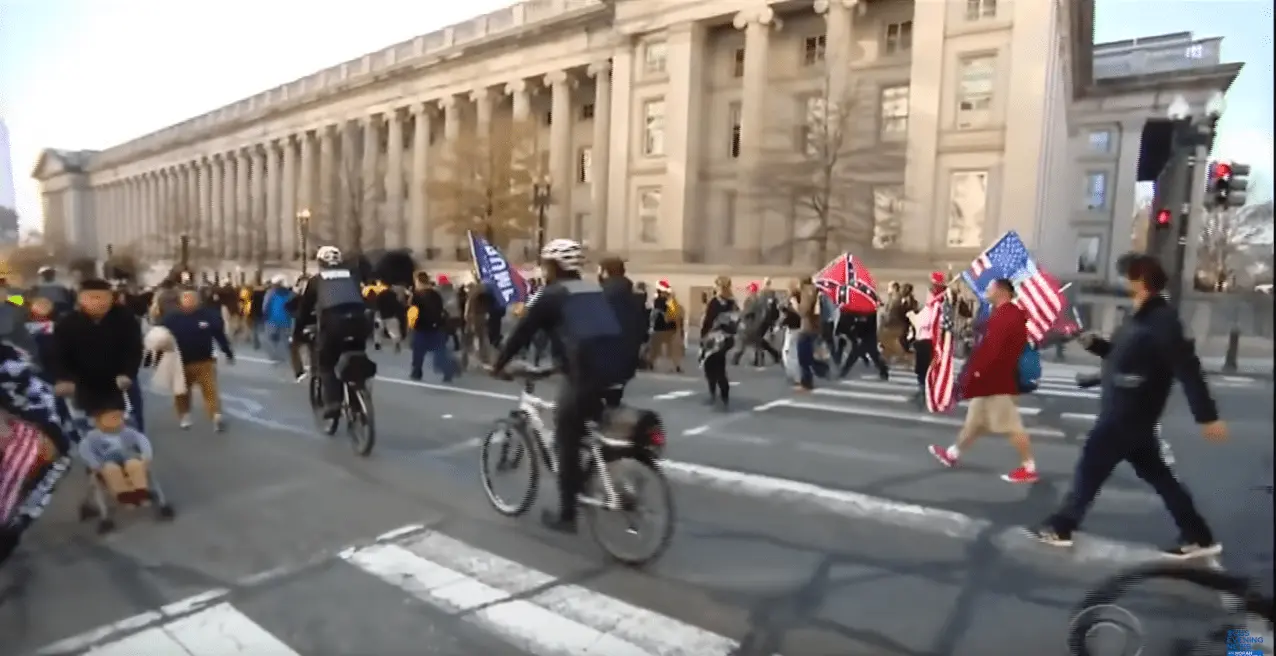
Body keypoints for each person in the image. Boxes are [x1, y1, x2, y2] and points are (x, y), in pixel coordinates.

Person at [1029, 254, 1225, 558]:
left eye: (1126, 276)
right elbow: (1123, 356)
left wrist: (1207, 416)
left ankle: (1062, 525)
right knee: (1160, 477)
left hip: (1129, 412)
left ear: (1141, 281)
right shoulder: (1139, 317)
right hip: (1130, 414)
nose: (1122, 281)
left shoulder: (1163, 320)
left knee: (1091, 466)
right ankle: (1199, 536)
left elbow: (1187, 367)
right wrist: (1097, 345)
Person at [489, 238, 633, 534]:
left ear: (554, 266)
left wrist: (498, 364)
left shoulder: (553, 294)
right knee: (589, 430)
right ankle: (591, 477)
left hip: (585, 375)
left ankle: (567, 516)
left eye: (545, 264)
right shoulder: (592, 289)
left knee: (565, 439)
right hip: (615, 370)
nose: (543, 270)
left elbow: (523, 332)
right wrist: (558, 363)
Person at [928, 278, 1038, 483]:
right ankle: (952, 454)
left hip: (997, 381)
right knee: (975, 422)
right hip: (991, 380)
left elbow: (994, 351)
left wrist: (976, 373)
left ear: (1001, 291)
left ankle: (1029, 467)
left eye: (989, 288)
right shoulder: (1003, 314)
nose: (986, 291)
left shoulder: (1007, 316)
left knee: (1011, 425)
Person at [48, 279, 145, 432]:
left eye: (103, 297)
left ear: (111, 298)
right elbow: (57, 353)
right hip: (82, 382)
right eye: (92, 298)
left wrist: (128, 373)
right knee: (86, 428)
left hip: (119, 380)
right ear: (80, 299)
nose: (98, 302)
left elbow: (134, 348)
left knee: (129, 424)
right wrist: (63, 378)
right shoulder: (67, 323)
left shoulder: (125, 318)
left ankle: (136, 441)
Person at [291, 246, 370, 419]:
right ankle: (358, 397)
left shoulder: (316, 281)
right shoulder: (352, 276)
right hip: (359, 322)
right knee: (356, 355)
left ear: (320, 263)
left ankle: (333, 402)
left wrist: (298, 332)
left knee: (325, 363)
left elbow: (304, 310)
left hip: (334, 324)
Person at [160, 290, 234, 431]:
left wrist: (227, 351)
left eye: (192, 299)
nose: (189, 301)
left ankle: (216, 416)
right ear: (181, 301)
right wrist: (157, 356)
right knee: (182, 391)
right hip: (180, 362)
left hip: (204, 361)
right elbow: (160, 337)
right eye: (186, 298)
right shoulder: (172, 318)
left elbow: (218, 334)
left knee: (210, 389)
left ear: (198, 301)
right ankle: (184, 415)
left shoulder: (207, 315)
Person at [597, 256, 647, 407]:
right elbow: (641, 324)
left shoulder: (605, 294)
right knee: (613, 399)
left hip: (605, 356)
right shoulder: (632, 294)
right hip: (627, 355)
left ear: (606, 272)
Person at [77, 406, 153, 505]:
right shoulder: (93, 436)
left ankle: (140, 492)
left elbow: (141, 439)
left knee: (135, 464)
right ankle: (124, 495)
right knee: (111, 470)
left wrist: (146, 455)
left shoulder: (126, 431)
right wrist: (94, 464)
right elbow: (85, 449)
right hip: (106, 461)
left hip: (128, 457)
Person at [406, 272, 456, 382]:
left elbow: (412, 312)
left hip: (421, 326)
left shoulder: (417, 295)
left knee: (418, 351)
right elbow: (441, 309)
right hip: (437, 326)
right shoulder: (436, 294)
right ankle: (447, 371)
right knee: (439, 351)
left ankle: (417, 372)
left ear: (418, 281)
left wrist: (410, 326)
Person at [699, 276, 738, 409]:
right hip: (725, 340)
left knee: (710, 366)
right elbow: (735, 322)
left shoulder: (715, 302)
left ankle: (714, 393)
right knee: (720, 366)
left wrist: (703, 336)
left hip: (713, 339)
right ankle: (724, 395)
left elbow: (707, 321)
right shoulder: (732, 303)